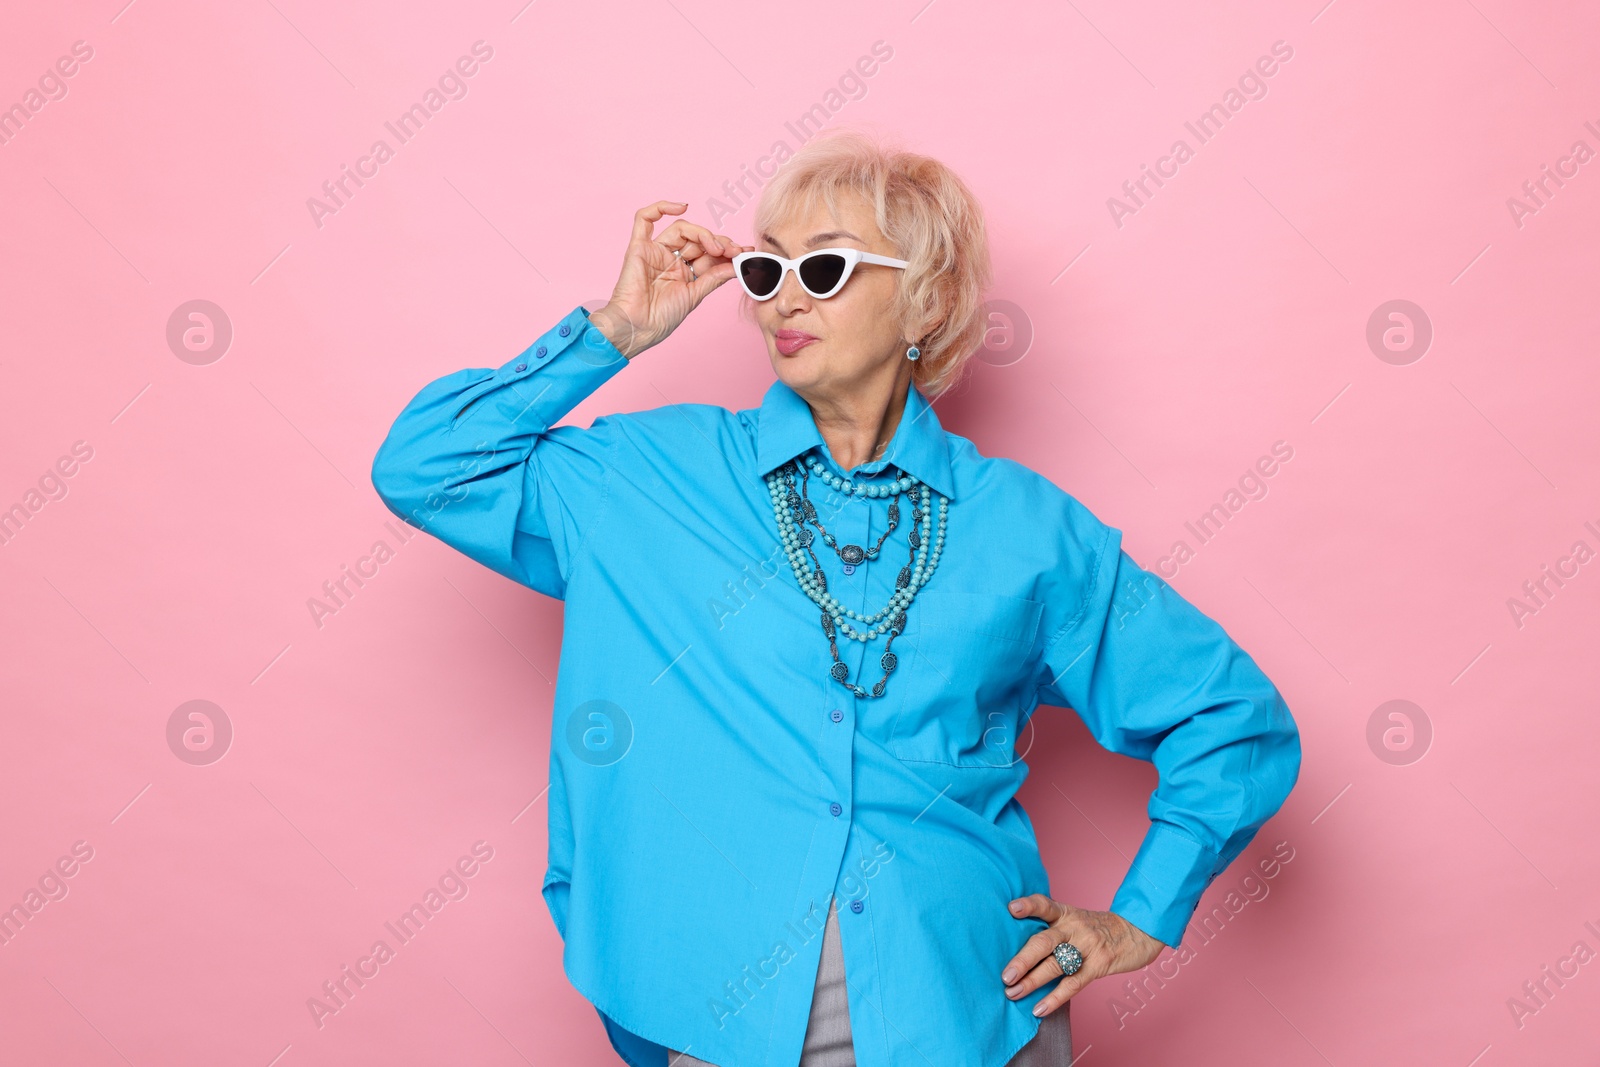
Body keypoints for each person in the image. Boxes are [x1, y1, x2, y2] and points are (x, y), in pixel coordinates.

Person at [370, 127, 1302, 1067]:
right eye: (768, 271)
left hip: (967, 1016)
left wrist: (1143, 916)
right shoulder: (647, 478)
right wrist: (617, 328)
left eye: (825, 266)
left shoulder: (1025, 531)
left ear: (926, 300)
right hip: (712, 1016)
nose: (786, 297)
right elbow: (426, 466)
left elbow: (1231, 718)